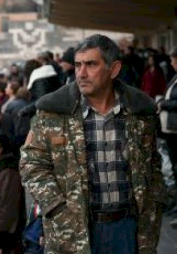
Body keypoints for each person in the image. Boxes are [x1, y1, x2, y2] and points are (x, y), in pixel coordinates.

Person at [20, 34, 166, 253]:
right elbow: (31, 165)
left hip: (127, 228)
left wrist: (154, 204)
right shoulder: (53, 111)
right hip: (74, 230)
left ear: (114, 69)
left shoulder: (140, 112)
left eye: (91, 64)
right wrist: (58, 209)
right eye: (78, 64)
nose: (81, 73)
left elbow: (152, 164)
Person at [158, 47, 177, 227]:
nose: (171, 63)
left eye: (173, 59)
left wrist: (163, 103)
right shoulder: (174, 77)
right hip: (171, 131)